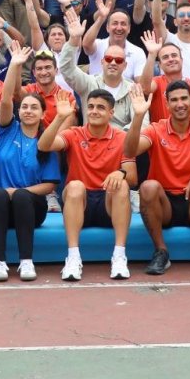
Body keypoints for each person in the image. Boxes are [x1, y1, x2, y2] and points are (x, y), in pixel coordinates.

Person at [125, 82, 190, 275]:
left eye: (184, 98)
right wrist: (138, 116)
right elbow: (130, 151)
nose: (180, 104)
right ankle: (161, 251)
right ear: (167, 104)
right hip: (164, 204)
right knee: (147, 187)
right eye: (174, 100)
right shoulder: (156, 129)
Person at [40, 87, 136, 281]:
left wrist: (121, 173)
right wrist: (60, 118)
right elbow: (44, 145)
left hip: (108, 203)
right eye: (90, 106)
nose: (94, 111)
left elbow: (133, 177)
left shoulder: (121, 137)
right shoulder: (74, 133)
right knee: (75, 186)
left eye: (100, 107)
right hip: (80, 203)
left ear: (111, 113)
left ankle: (119, 256)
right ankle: (73, 257)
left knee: (122, 185)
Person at [0, 48, 61, 282]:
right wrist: (15, 65)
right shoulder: (8, 130)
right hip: (0, 207)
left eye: (34, 108)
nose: (28, 111)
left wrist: (19, 191)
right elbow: (6, 98)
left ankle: (26, 261)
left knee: (19, 196)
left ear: (43, 114)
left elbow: (50, 185)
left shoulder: (45, 142)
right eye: (25, 107)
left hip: (31, 208)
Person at [58, 9, 138, 129]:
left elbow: (142, 123)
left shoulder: (132, 89)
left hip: (121, 139)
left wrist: (118, 137)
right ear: (102, 62)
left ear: (125, 65)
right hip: (90, 138)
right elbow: (66, 68)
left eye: (118, 60)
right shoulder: (89, 83)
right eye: (108, 59)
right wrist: (73, 39)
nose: (113, 63)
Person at [139, 33, 190, 124]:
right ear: (159, 65)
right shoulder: (157, 82)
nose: (171, 59)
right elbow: (144, 88)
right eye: (165, 57)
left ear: (182, 60)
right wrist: (152, 54)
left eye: (174, 55)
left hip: (189, 132)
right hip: (159, 133)